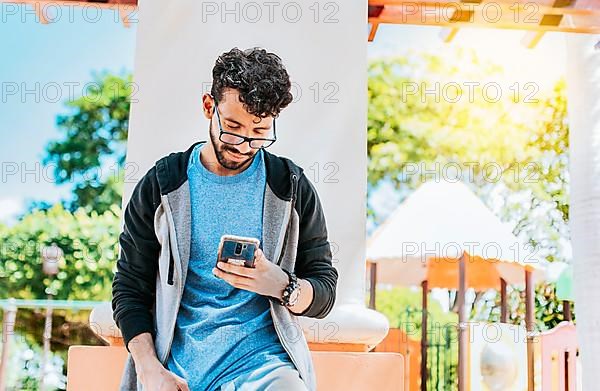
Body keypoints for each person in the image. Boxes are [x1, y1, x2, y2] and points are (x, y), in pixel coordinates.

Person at [111, 47, 338, 391]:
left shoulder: (291, 188)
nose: (244, 145)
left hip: (264, 368)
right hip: (174, 370)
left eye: (259, 131)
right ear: (208, 107)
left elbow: (324, 289)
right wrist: (148, 370)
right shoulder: (161, 185)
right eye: (233, 127)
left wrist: (280, 284)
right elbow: (129, 288)